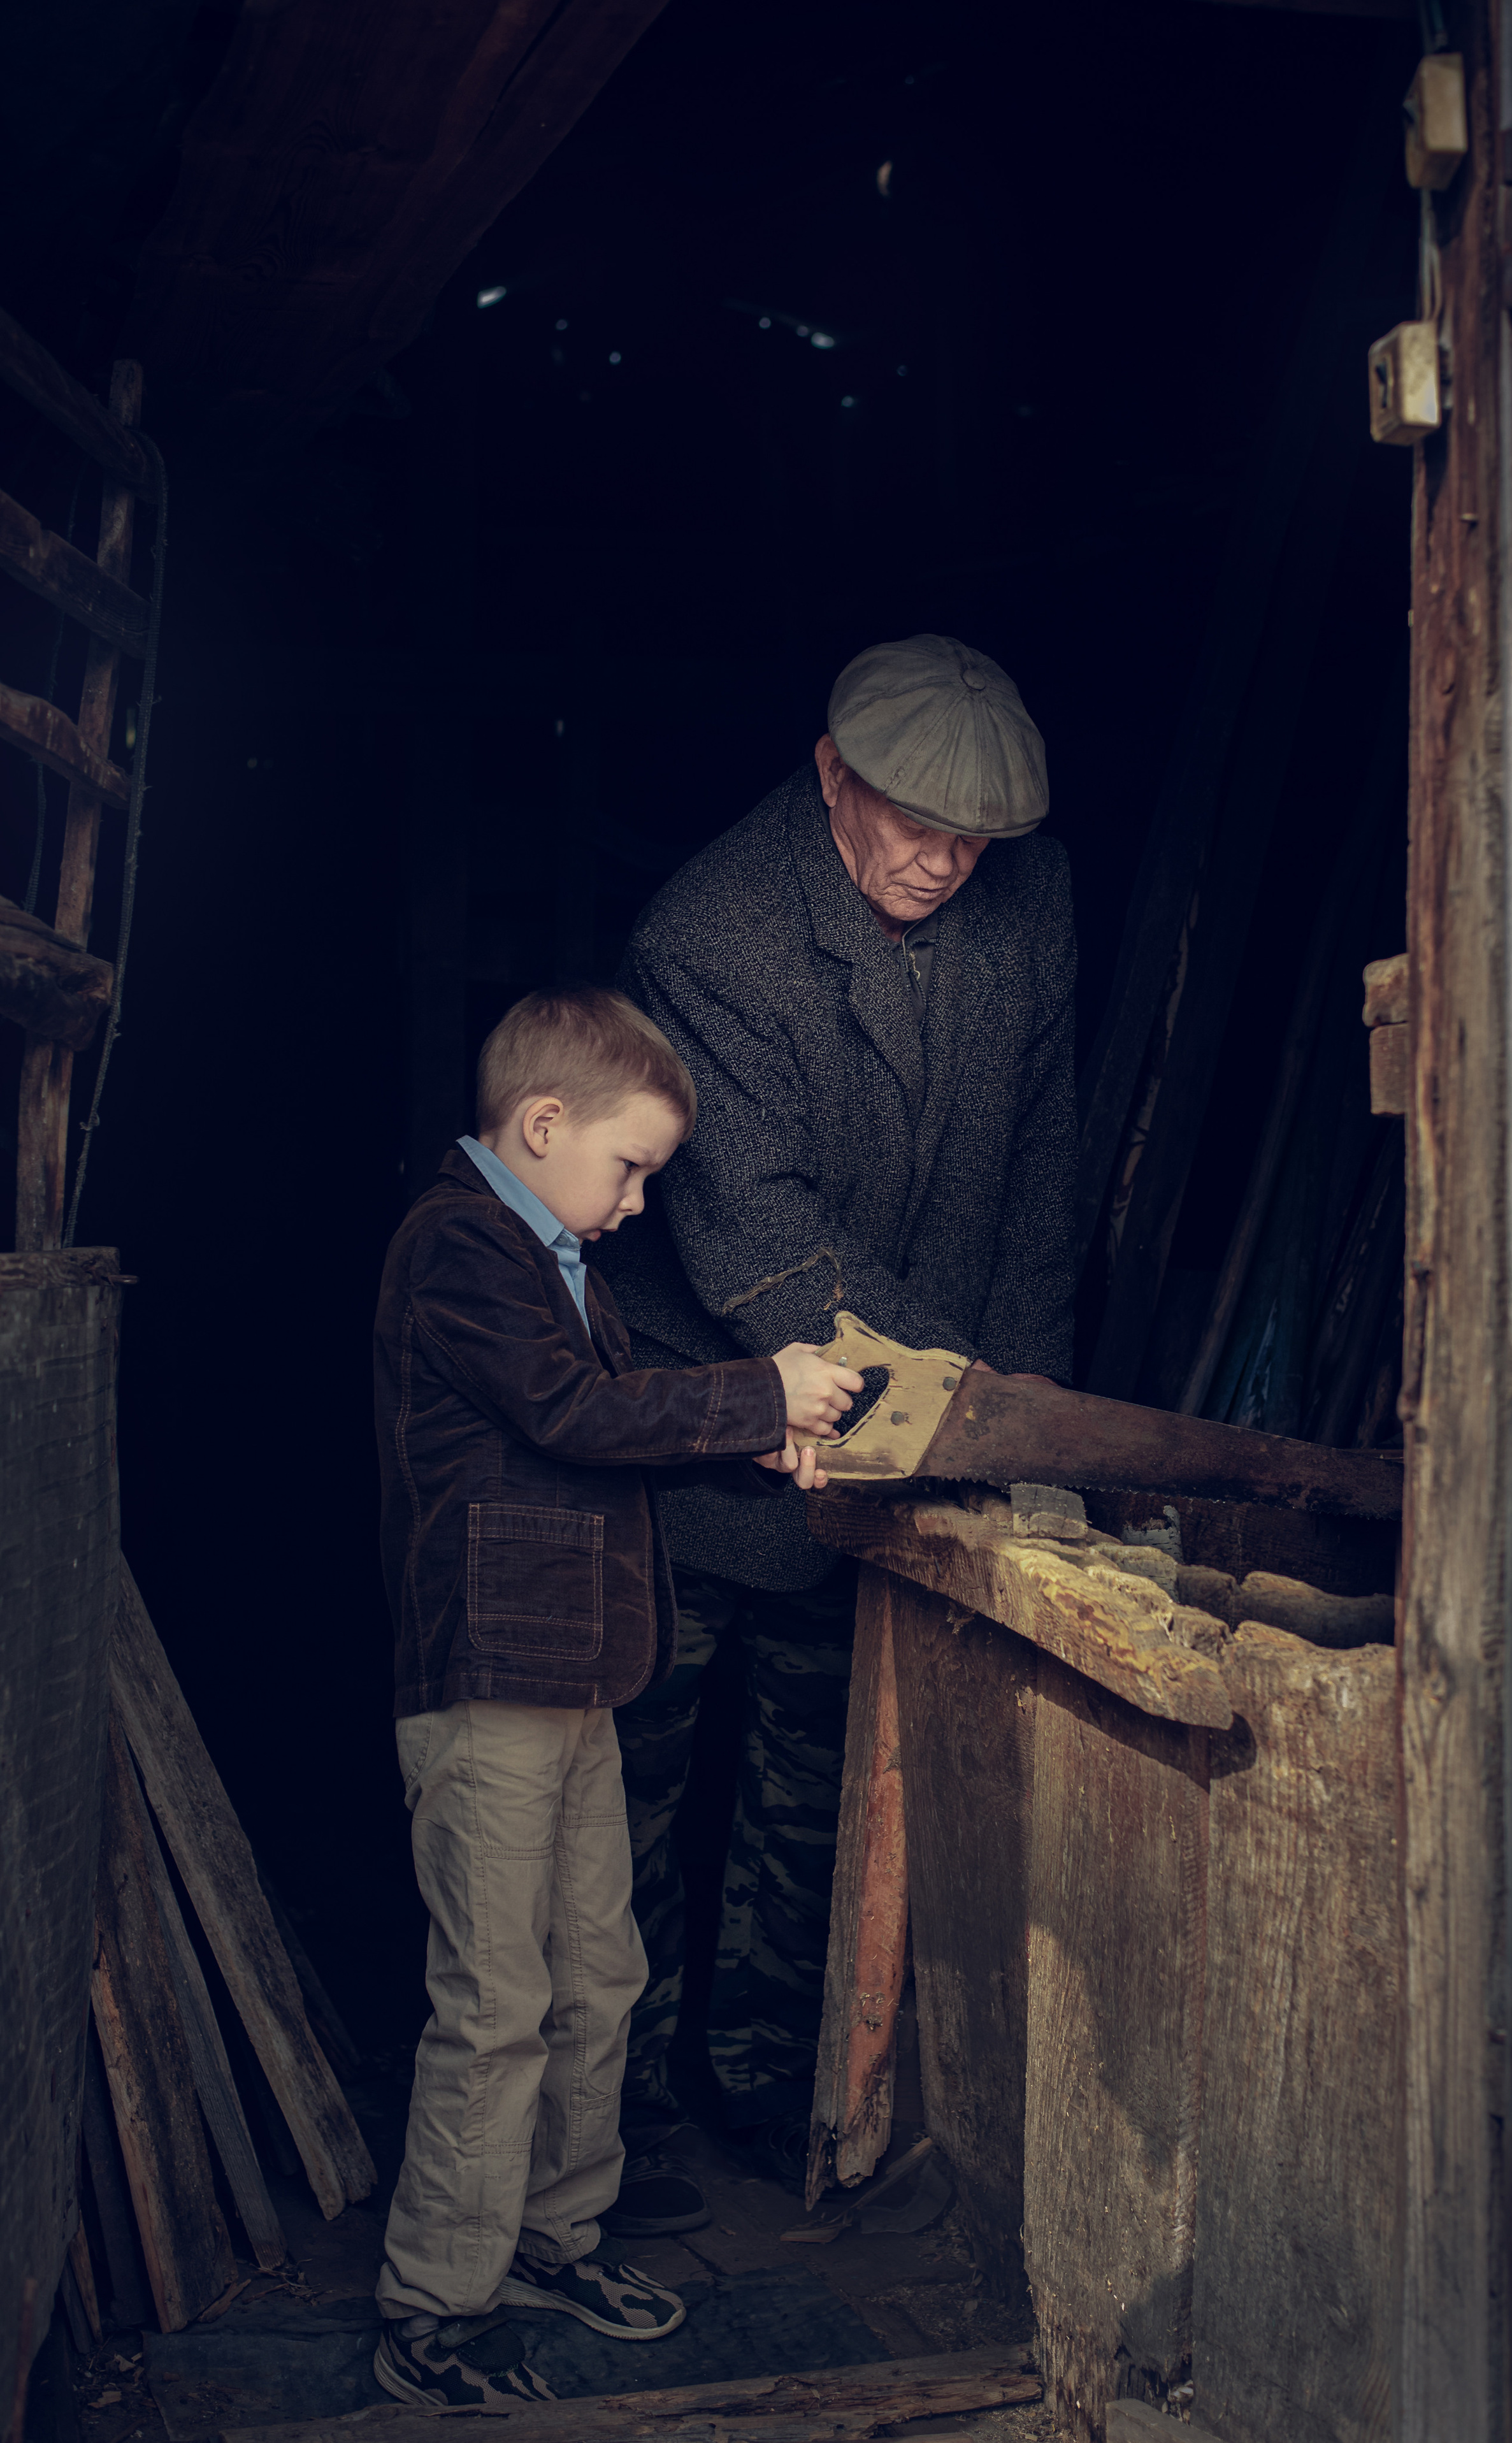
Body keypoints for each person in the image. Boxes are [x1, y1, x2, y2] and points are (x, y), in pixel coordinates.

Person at [598, 633, 1076, 2218]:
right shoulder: (711, 934)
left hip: (911, 1437)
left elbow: (1036, 1182)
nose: (945, 860)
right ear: (829, 775)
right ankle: (618, 2125)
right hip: (718, 1417)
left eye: (975, 838)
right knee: (637, 1797)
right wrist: (968, 1407)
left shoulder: (1030, 904)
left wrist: (1016, 1414)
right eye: (912, 823)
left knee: (819, 1782)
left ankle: (760, 2083)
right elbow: (756, 1238)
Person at [370, 987, 863, 2407]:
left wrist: (755, 1447)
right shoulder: (459, 1246)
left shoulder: (555, 1257)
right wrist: (760, 1396)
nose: (639, 1202)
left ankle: (548, 2235)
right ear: (541, 1125)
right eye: (629, 1166)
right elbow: (572, 1419)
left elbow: (623, 1425)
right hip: (488, 1680)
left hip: (574, 1674)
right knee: (495, 2001)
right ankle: (434, 2304)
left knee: (599, 1974)